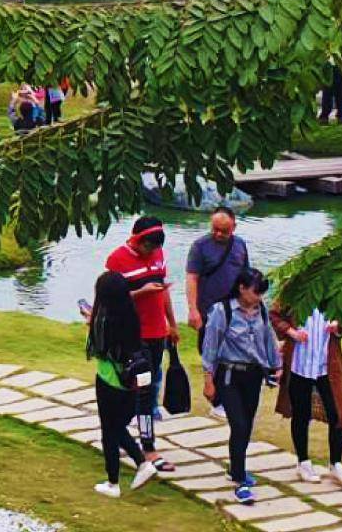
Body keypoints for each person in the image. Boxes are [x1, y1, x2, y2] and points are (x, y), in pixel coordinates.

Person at [200, 269, 281, 505]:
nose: (259, 297)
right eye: (256, 292)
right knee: (239, 423)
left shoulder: (261, 311)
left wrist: (276, 365)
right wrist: (208, 380)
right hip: (229, 375)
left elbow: (268, 338)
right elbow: (210, 346)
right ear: (242, 288)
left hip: (253, 375)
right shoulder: (222, 311)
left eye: (262, 293)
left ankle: (236, 467)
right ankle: (239, 480)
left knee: (247, 425)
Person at [104, 216, 176, 472]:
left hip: (157, 334)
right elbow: (111, 299)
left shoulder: (158, 254)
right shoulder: (117, 260)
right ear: (137, 239)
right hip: (133, 336)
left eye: (156, 248)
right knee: (134, 390)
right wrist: (140, 293)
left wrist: (172, 324)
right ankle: (123, 433)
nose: (152, 252)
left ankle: (147, 446)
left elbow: (164, 291)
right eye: (148, 247)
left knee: (146, 392)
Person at [85, 271, 160, 498]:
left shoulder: (104, 319)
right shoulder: (130, 315)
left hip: (109, 379)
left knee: (110, 430)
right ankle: (137, 466)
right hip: (130, 382)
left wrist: (91, 320)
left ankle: (115, 480)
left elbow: (97, 348)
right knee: (116, 427)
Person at [273, 304, 342, 487]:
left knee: (337, 414)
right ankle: (303, 462)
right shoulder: (295, 289)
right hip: (299, 364)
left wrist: (338, 327)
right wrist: (291, 332)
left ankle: (336, 463)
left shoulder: (338, 291)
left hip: (326, 365)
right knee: (300, 415)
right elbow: (273, 316)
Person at [186, 205, 252, 371]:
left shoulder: (240, 245)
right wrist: (193, 310)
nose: (219, 234)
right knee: (209, 353)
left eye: (225, 230)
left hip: (235, 311)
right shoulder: (199, 246)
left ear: (234, 227)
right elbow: (192, 278)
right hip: (209, 311)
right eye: (215, 229)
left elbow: (247, 277)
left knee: (235, 353)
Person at [319, 60, 342, 124]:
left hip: (339, 66)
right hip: (330, 65)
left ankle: (340, 116)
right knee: (328, 93)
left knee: (339, 93)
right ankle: (325, 116)